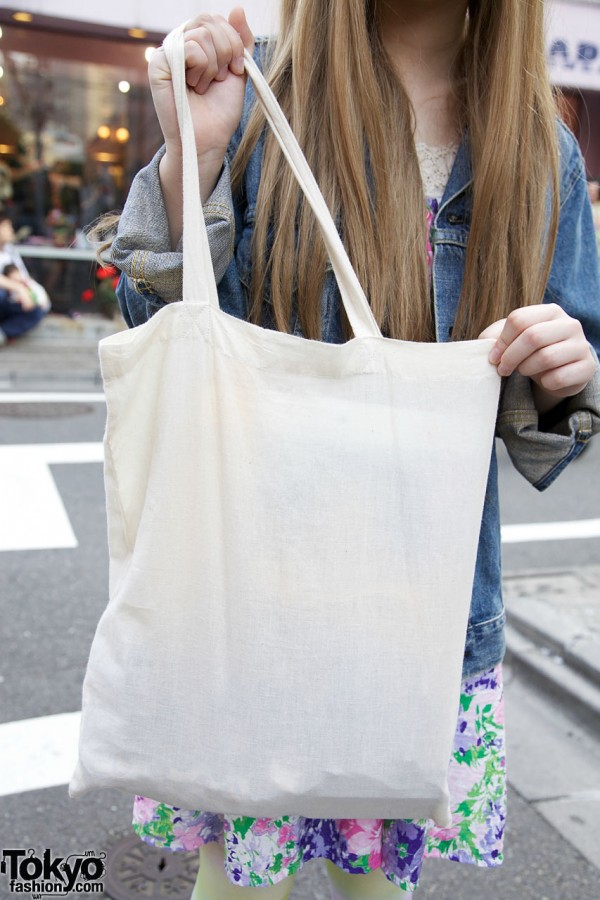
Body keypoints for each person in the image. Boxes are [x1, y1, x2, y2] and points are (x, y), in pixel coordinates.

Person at [103, 2, 600, 897]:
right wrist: (195, 158)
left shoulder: (541, 149)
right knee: (246, 884)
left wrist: (567, 372)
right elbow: (159, 333)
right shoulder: (254, 92)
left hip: (422, 619)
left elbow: (544, 436)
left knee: (371, 885)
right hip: (251, 607)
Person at [0, 213, 49, 345]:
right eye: (7, 227)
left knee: (37, 311)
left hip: (11, 301)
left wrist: (39, 295)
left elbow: (24, 277)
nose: (11, 230)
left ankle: (3, 332)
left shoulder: (10, 251)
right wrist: (18, 288)